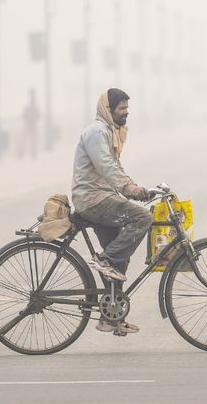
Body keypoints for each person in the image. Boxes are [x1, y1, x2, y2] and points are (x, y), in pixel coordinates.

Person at [71, 88, 151, 334]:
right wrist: (129, 189)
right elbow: (106, 166)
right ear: (109, 109)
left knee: (119, 257)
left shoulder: (109, 132)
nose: (126, 113)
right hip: (93, 200)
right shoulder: (97, 132)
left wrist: (134, 188)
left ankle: (111, 316)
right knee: (142, 217)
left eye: (127, 108)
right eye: (122, 108)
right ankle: (105, 260)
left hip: (103, 197)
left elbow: (116, 166)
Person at [22, 89, 40, 159]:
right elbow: (38, 115)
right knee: (29, 140)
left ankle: (29, 154)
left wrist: (29, 119)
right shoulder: (32, 105)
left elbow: (24, 115)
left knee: (30, 140)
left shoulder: (32, 105)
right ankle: (29, 154)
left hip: (31, 125)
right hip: (31, 125)